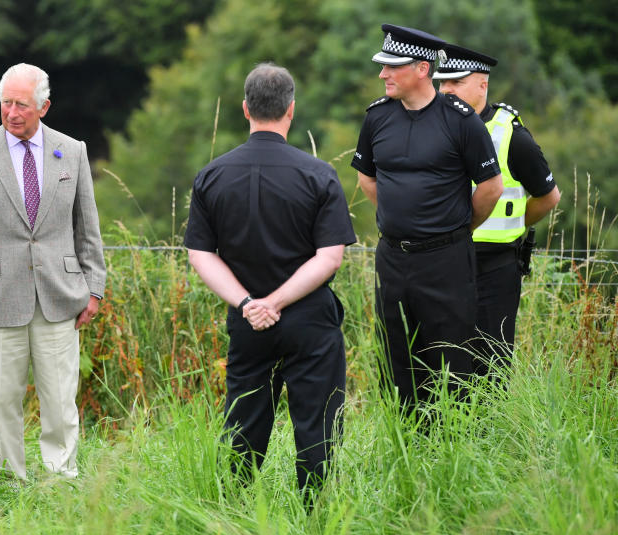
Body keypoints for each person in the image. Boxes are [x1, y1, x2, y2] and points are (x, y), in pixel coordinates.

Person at [185, 63, 356, 490]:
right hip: (310, 320)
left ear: (245, 109)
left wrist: (249, 305)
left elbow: (201, 254)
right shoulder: (319, 175)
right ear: (291, 110)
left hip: (247, 323)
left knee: (243, 421)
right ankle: (316, 517)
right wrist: (277, 303)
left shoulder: (212, 176)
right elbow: (330, 258)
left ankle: (237, 511)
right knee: (317, 423)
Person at [0, 63, 106, 481]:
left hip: (61, 296)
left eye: (22, 104)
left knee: (59, 399)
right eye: (6, 103)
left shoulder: (72, 151)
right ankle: (7, 481)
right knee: (4, 399)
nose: (12, 112)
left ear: (44, 107)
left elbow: (86, 227)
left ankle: (61, 478)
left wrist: (95, 288)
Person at [351, 25, 503, 408]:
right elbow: (366, 178)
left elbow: (490, 187)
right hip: (393, 257)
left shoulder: (461, 120)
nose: (382, 74)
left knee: (450, 358)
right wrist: (398, 218)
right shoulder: (377, 117)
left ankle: (449, 448)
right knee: (396, 355)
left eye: (391, 67)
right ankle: (405, 445)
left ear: (421, 69)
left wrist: (453, 228)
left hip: (446, 260)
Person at [434, 43, 561, 371]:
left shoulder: (511, 136)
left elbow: (548, 196)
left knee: (490, 365)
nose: (446, 90)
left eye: (456, 83)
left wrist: (514, 222)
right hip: (441, 263)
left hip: (493, 268)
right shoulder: (431, 128)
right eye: (442, 83)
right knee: (441, 361)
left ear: (482, 83)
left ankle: (492, 425)